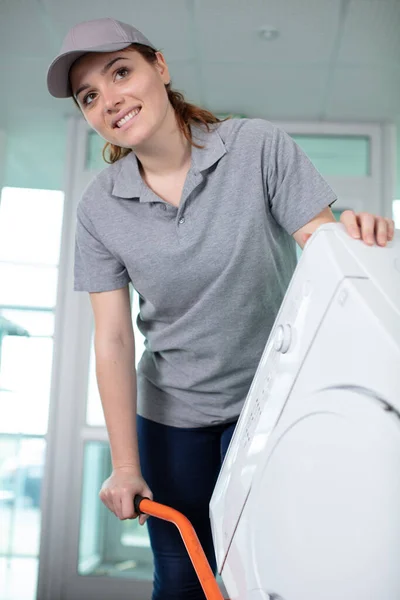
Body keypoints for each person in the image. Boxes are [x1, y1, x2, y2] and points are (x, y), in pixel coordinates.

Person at [46, 17, 395, 600]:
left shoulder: (255, 147)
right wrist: (125, 465)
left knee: (285, 567)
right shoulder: (99, 208)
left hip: (273, 401)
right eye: (90, 95)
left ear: (159, 66)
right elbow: (112, 339)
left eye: (121, 72)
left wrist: (354, 236)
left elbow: (323, 247)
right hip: (171, 416)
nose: (110, 99)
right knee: (184, 580)